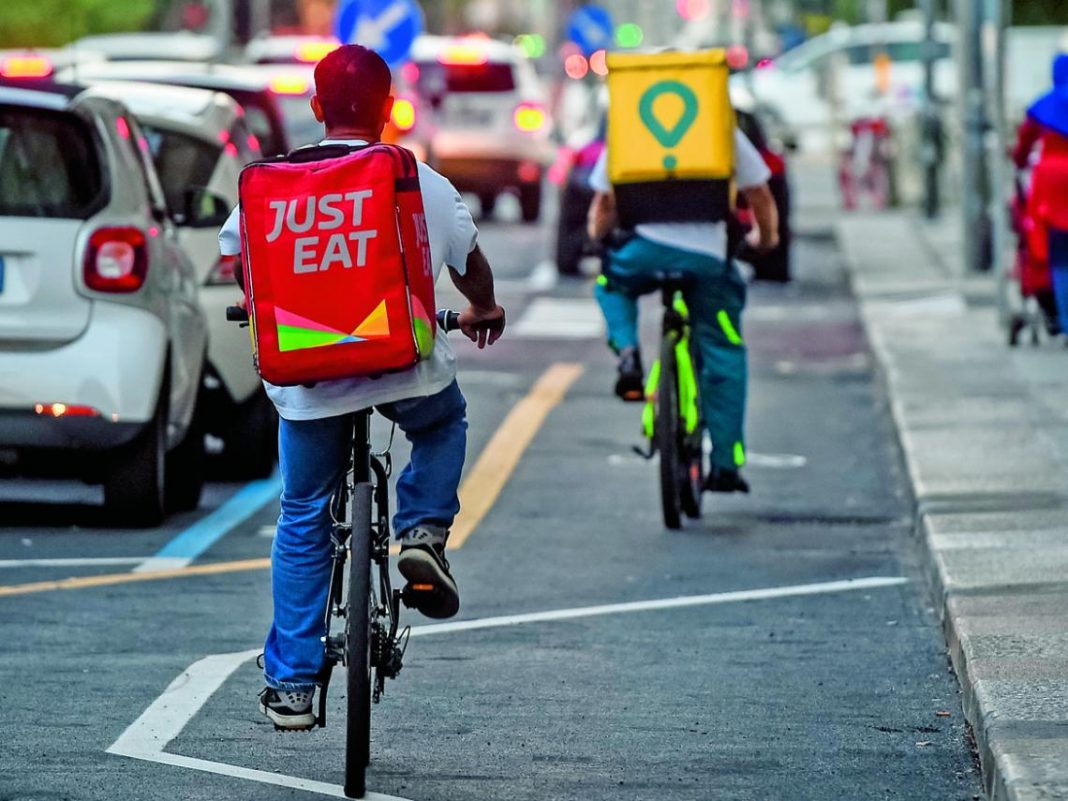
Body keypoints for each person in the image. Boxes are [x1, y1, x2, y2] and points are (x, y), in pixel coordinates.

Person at [218, 45, 506, 730]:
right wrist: (484, 308)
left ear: (316, 109)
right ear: (387, 108)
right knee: (443, 423)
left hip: (309, 378)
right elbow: (471, 268)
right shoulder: (419, 180)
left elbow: (236, 257)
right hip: (401, 364)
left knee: (303, 512)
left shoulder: (276, 182)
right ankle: (422, 530)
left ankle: (290, 683)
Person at [587, 127, 778, 493]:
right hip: (707, 258)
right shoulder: (721, 127)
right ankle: (725, 464)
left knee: (610, 285)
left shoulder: (631, 121)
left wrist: (599, 238)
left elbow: (605, 204)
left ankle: (628, 352)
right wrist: (764, 241)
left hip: (644, 251)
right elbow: (761, 197)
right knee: (723, 349)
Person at [1013, 53, 1068, 335]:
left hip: (1051, 183)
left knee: (1059, 255)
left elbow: (1024, 142)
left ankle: (1064, 318)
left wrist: (1019, 161)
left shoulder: (1045, 106)